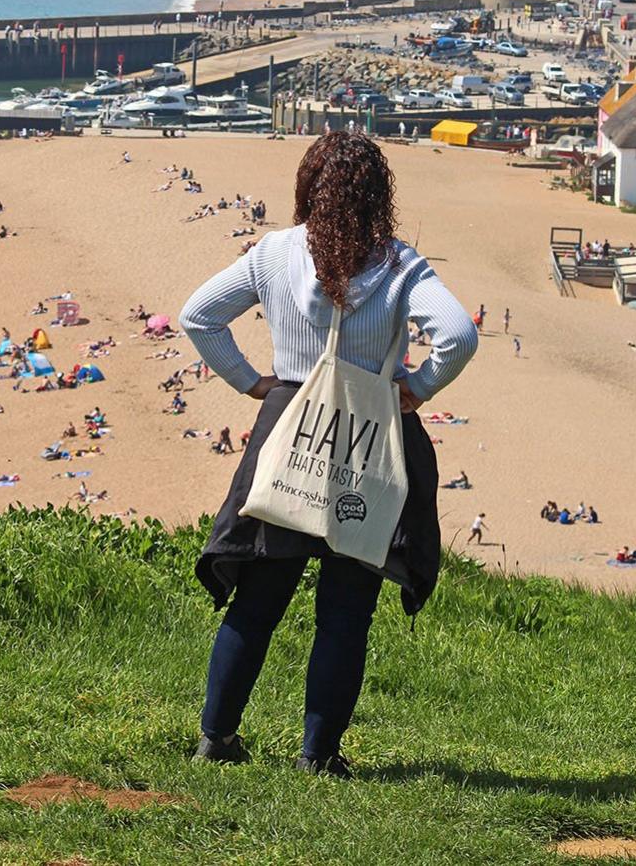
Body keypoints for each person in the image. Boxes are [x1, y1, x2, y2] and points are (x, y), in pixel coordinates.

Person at [179, 131, 478, 775]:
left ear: (307, 187)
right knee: (345, 612)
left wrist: (254, 383)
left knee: (258, 601)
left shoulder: (275, 253)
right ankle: (320, 755)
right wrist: (415, 389)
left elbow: (199, 315)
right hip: (370, 436)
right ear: (379, 197)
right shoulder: (400, 265)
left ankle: (217, 738)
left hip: (289, 429)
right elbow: (457, 334)